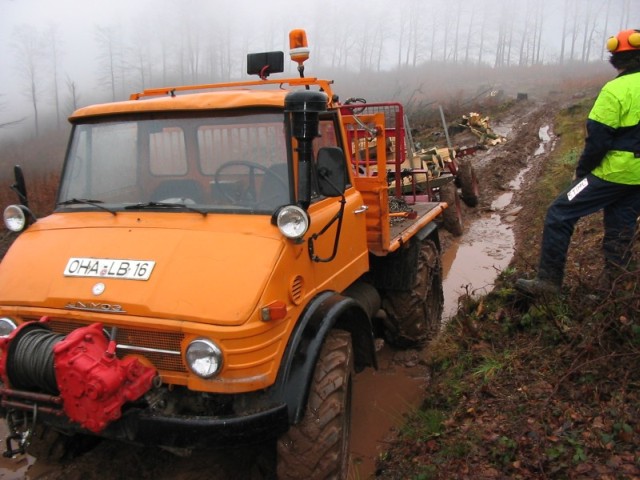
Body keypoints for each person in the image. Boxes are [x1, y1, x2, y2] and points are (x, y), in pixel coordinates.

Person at [516, 28, 640, 296]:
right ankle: (620, 297)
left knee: (559, 213)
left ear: (615, 60)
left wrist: (583, 173)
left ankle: (548, 283)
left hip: (612, 173)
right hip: (637, 178)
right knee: (621, 230)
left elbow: (597, 139)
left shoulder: (615, 89)